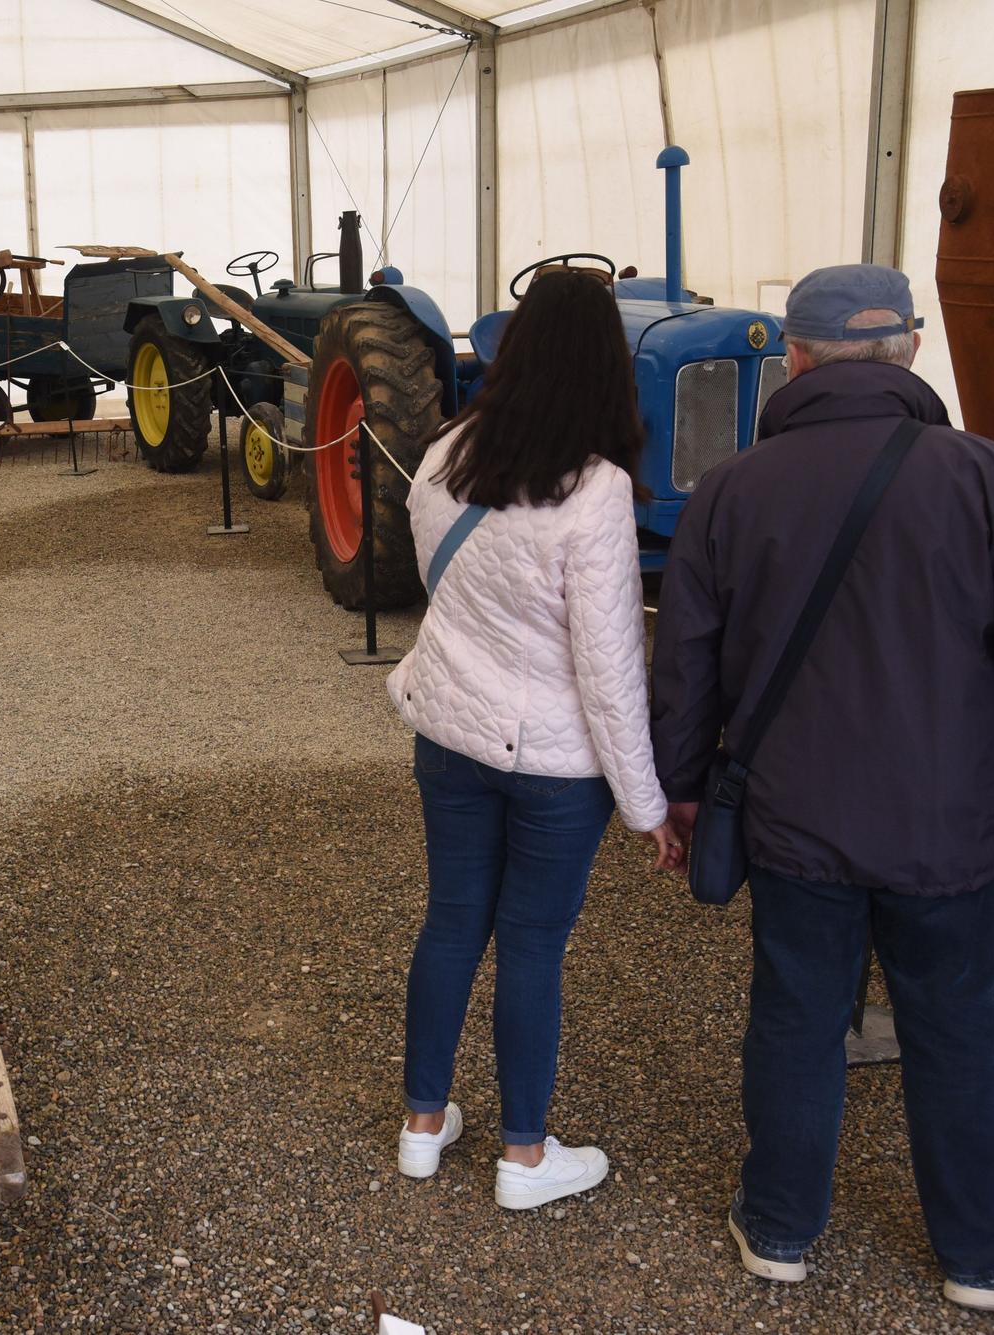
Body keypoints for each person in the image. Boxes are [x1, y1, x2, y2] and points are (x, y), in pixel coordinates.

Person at [651, 265, 994, 1312]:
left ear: (793, 359)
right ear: (908, 351)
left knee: (794, 1017)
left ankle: (777, 1229)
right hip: (942, 827)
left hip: (790, 816)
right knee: (951, 1027)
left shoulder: (728, 490)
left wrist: (674, 789)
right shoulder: (991, 479)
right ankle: (981, 1256)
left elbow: (684, 660)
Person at [384, 271, 681, 1209]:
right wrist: (648, 807)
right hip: (555, 769)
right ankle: (523, 1155)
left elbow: (442, 582)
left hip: (450, 735)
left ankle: (423, 1127)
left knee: (450, 922)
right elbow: (609, 670)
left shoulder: (444, 455)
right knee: (532, 945)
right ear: (607, 365)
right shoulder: (595, 491)